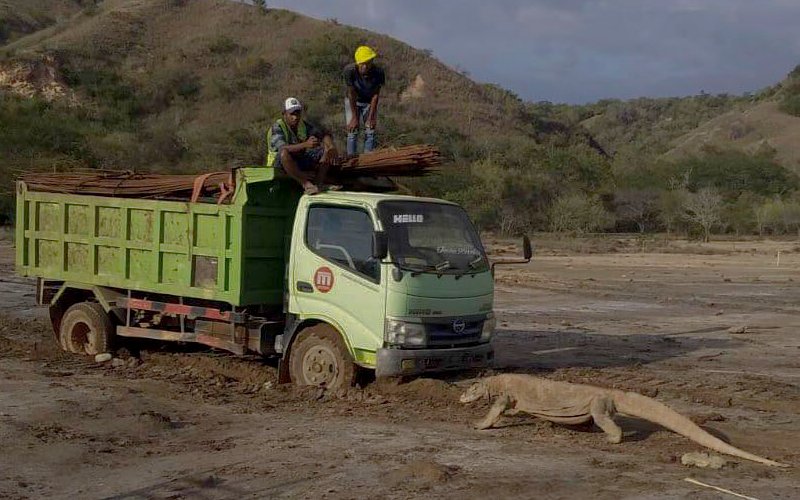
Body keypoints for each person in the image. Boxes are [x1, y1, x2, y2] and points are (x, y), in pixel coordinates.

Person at [266, 97, 337, 195]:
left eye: (297, 113)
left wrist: (331, 147)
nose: (295, 117)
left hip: (298, 160)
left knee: (325, 150)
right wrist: (305, 144)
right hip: (279, 164)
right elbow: (282, 148)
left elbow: (323, 134)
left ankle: (318, 183)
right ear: (284, 114)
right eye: (292, 114)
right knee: (284, 153)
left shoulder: (302, 125)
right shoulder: (278, 127)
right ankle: (305, 183)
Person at [343, 45, 385, 156]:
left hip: (369, 102)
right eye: (362, 63)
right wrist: (354, 117)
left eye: (368, 63)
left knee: (370, 131)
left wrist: (371, 117)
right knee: (352, 131)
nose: (365, 66)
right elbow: (351, 93)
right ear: (357, 63)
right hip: (353, 101)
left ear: (372, 61)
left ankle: (368, 159)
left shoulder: (379, 72)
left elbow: (376, 95)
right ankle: (351, 159)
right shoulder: (349, 71)